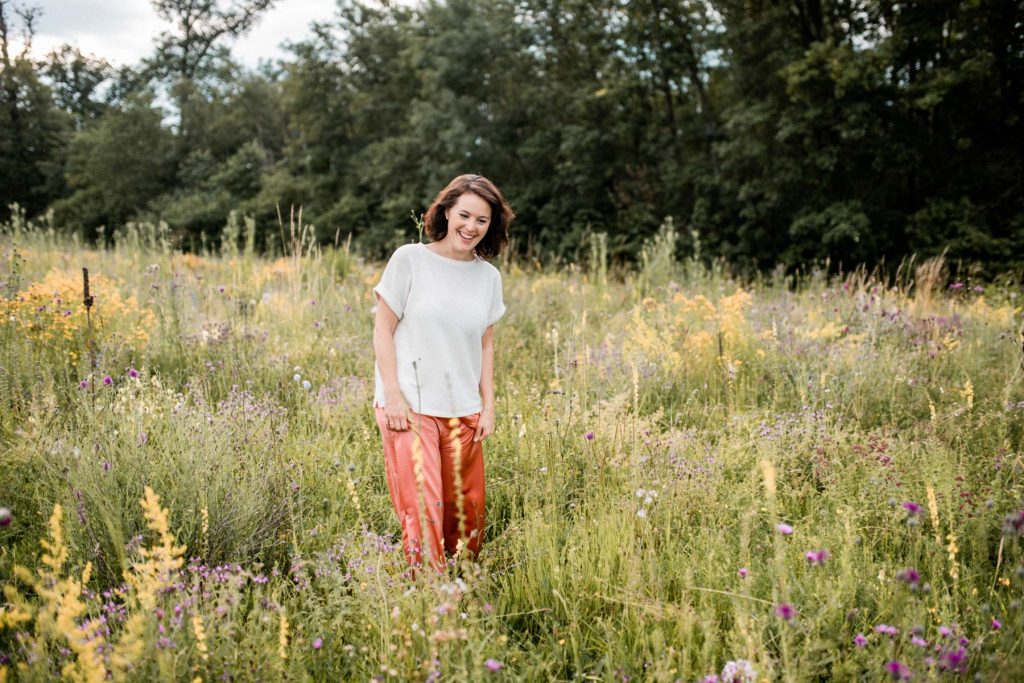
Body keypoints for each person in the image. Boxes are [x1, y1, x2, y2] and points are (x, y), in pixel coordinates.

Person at [372, 174, 513, 573]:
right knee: (424, 506)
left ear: (492, 225)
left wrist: (489, 406)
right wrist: (393, 396)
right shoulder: (410, 259)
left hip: (463, 409)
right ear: (447, 211)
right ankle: (429, 598)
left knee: (464, 511)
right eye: (464, 215)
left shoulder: (488, 277)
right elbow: (383, 330)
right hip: (410, 405)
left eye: (481, 220)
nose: (470, 227)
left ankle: (461, 583)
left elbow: (485, 344)